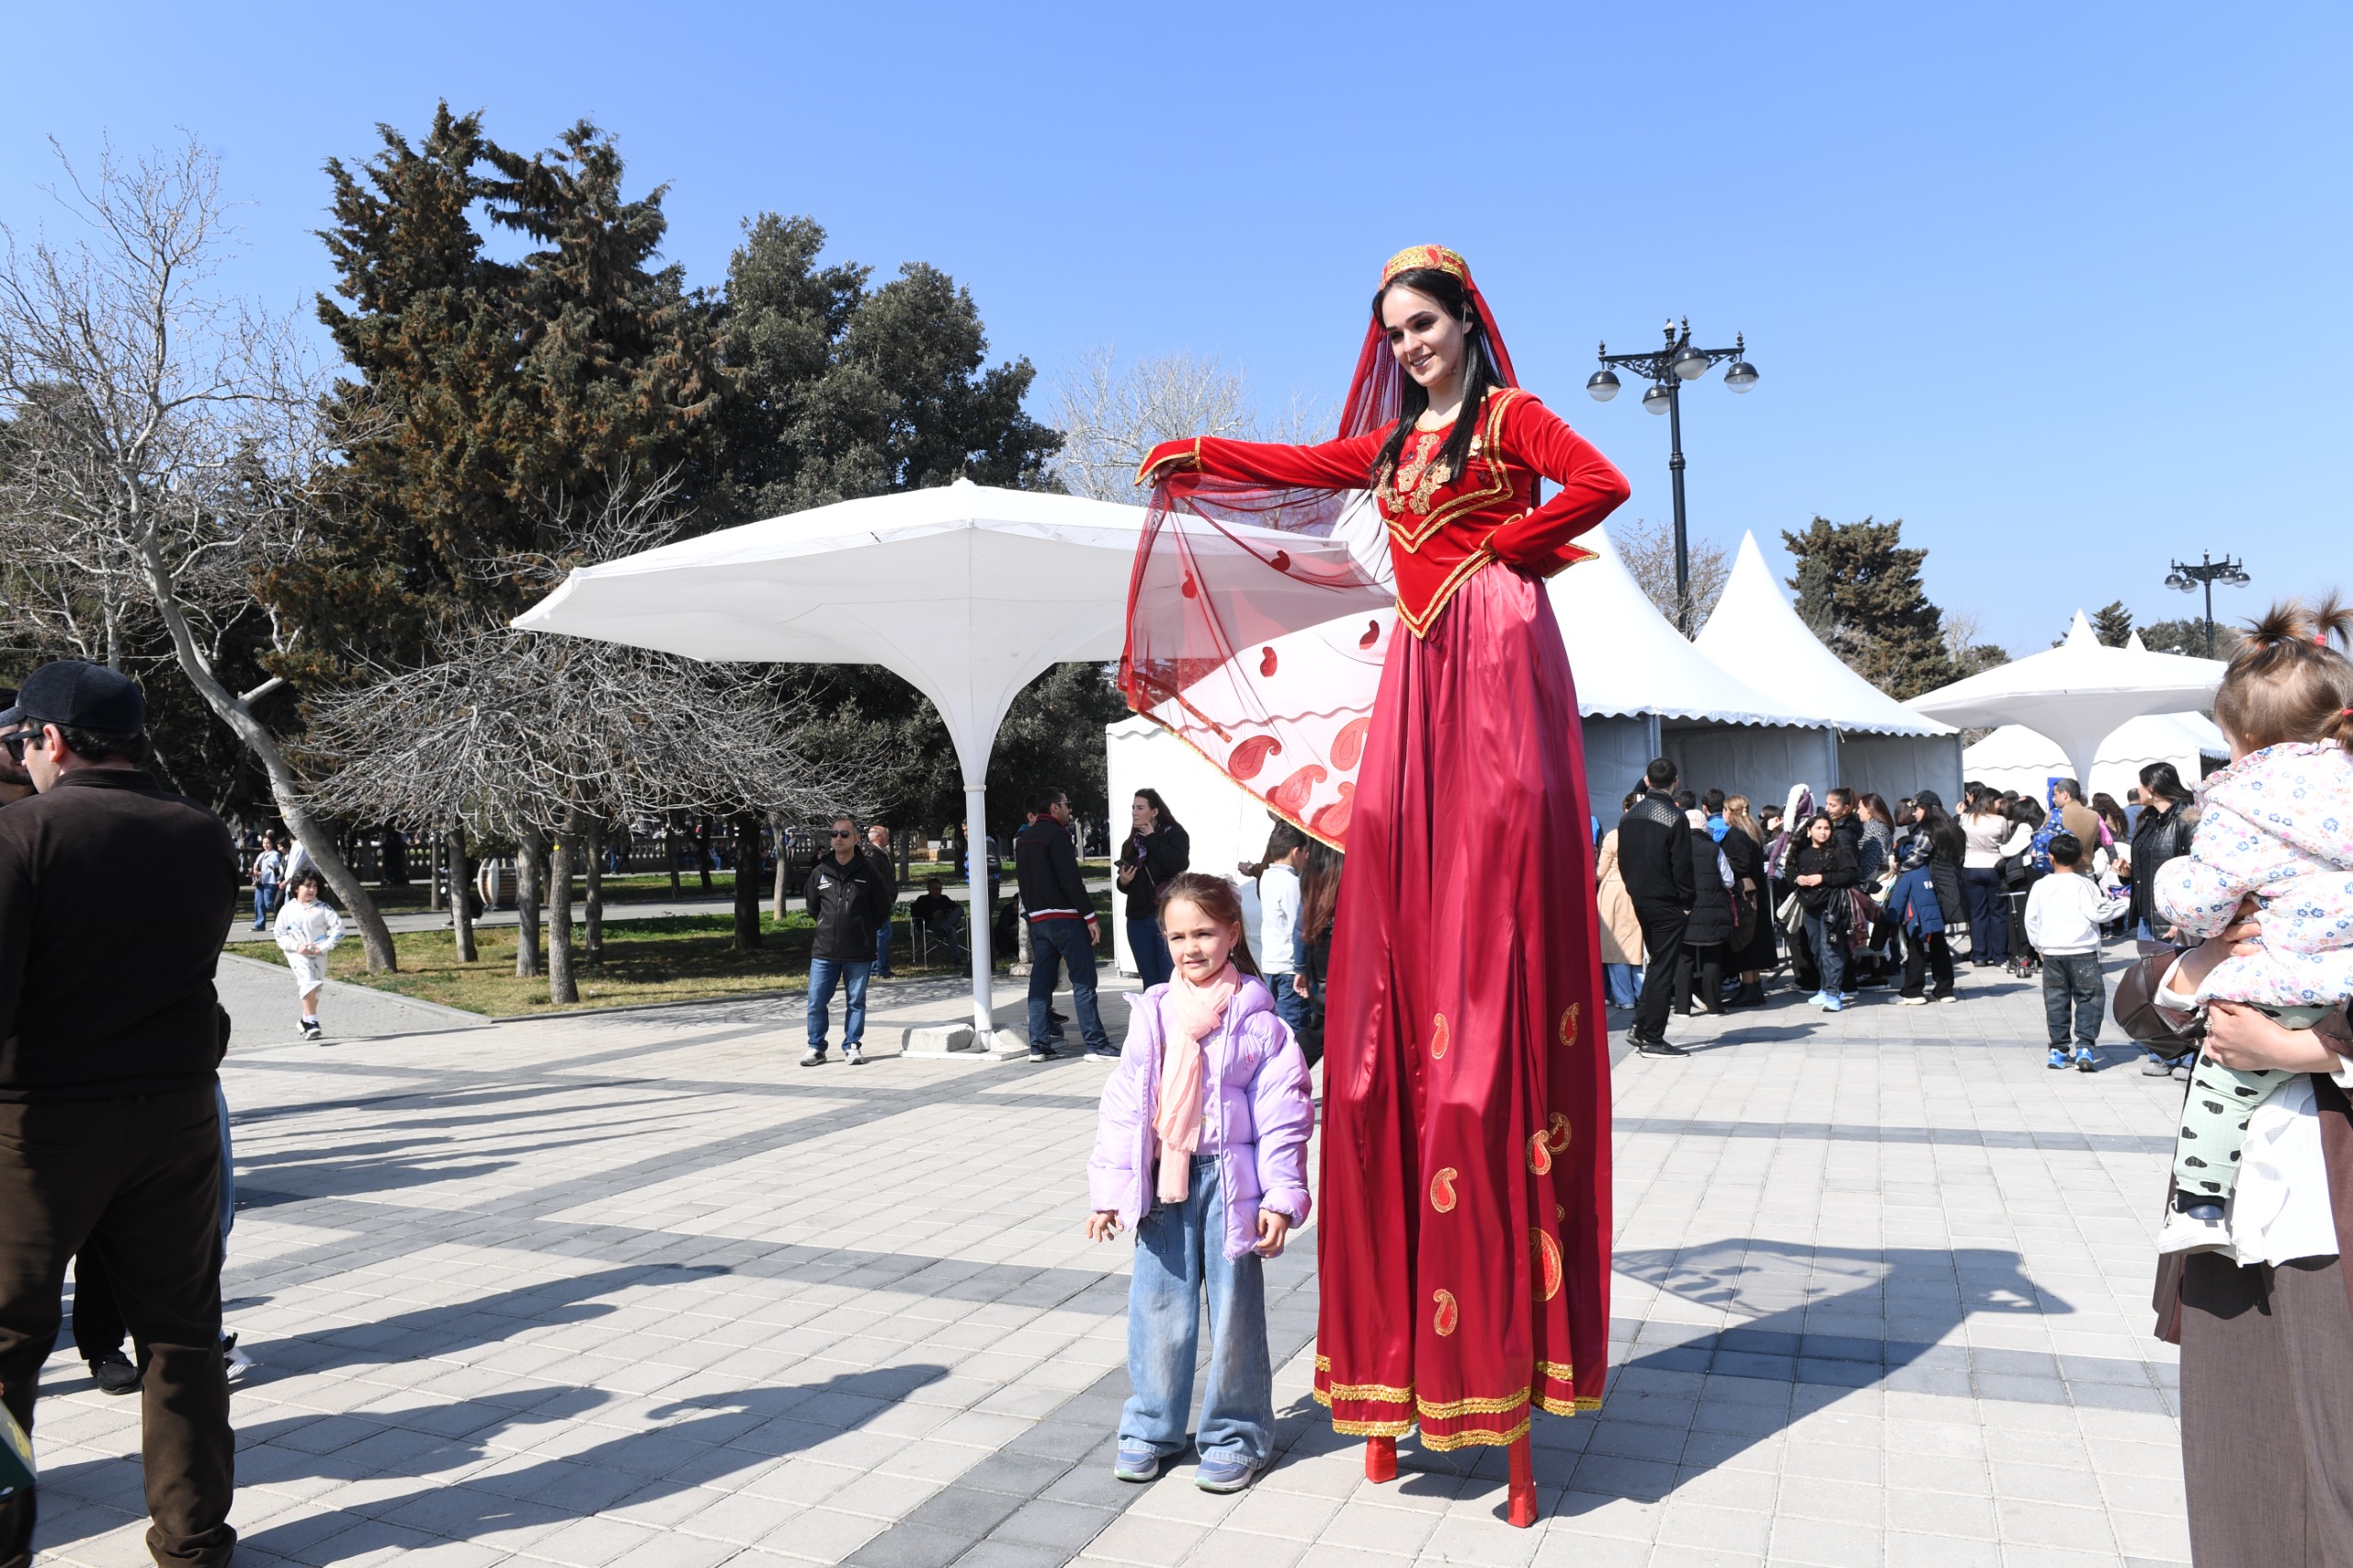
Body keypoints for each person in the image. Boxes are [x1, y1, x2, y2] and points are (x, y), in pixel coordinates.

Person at [1131, 245, 1626, 1500]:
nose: (1410, 346)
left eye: (1425, 324)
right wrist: (1201, 455)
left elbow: (1604, 480)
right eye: (1395, 331)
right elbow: (1303, 464)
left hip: (1497, 644)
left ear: (1466, 320)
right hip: (1418, 668)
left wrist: (1508, 548)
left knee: (1495, 851)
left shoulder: (1510, 418)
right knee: (1393, 853)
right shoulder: (1398, 443)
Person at [0, 662, 238, 1568]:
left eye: (25, 740)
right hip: (174, 1114)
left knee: (7, 1348)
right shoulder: (202, 831)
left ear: (53, 740)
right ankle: (193, 1540)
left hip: (37, 1126)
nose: (23, 757)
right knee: (182, 1337)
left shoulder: (23, 833)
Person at [1086, 871, 1313, 1494]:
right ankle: (1151, 1428)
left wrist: (1281, 1196)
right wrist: (1109, 1190)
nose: (1191, 947)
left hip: (1231, 1184)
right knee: (1158, 1309)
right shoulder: (1154, 1013)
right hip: (1164, 1182)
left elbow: (1283, 1114)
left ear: (1233, 933)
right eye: (1178, 935)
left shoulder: (1258, 1020)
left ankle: (1236, 1433)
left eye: (1205, 933)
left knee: (1237, 1315)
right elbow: (1127, 1103)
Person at [2148, 598, 2353, 1253]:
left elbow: (2201, 899)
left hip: (2279, 995)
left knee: (2221, 1076)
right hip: (2335, 990)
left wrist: (2293, 1051)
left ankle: (2197, 1201)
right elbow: (2147, 1005)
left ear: (2247, 741)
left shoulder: (2241, 799)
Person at [1016, 789, 1112, 1062]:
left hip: (1038, 921)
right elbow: (1070, 880)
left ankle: (1039, 1045)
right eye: (1066, 804)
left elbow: (1023, 883)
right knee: (1083, 981)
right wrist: (1090, 917)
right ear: (1054, 807)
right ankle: (1096, 1044)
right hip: (1066, 918)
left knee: (1040, 983)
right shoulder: (1058, 834)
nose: (1070, 809)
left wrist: (1033, 914)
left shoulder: (1024, 839)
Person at [2023, 834, 2129, 1071]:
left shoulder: (2040, 886)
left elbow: (2031, 919)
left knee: (2056, 1001)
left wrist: (2038, 946)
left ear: (2050, 857)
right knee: (2089, 999)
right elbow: (2099, 913)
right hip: (2083, 952)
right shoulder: (2085, 884)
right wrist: (2126, 903)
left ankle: (2058, 1051)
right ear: (2081, 857)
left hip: (2051, 953)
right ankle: (2085, 1048)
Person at [1618, 759, 1698, 1056]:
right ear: (1675, 782)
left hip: (1641, 898)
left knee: (1656, 964)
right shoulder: (1676, 817)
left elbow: (1624, 861)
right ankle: (1652, 1036)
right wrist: (1688, 902)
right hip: (1667, 901)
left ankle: (1641, 1026)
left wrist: (1634, 890)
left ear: (1648, 780)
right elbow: (1682, 866)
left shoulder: (1629, 816)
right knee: (1664, 969)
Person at [2127, 762, 2200, 1075]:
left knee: (2180, 985)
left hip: (2175, 917)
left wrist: (2180, 916)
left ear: (2152, 787)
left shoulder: (2187, 818)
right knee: (2153, 985)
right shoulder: (2149, 820)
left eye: (2141, 785)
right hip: (2147, 914)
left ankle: (2185, 1054)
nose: (2139, 791)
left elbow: (2195, 868)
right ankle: (2162, 1052)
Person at [802, 816, 890, 1067]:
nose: (838, 839)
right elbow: (812, 907)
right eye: (833, 834)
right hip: (824, 950)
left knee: (856, 1001)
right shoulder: (820, 872)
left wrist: (863, 928)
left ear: (856, 839)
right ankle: (816, 1047)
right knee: (816, 1000)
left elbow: (882, 909)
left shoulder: (869, 873)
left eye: (843, 834)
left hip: (859, 950)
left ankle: (852, 1045)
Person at [1117, 790, 1190, 989]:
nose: (1134, 812)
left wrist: (1152, 839)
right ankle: (1152, 1019)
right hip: (1137, 918)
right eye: (1133, 808)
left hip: (1165, 917)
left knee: (1170, 976)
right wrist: (1123, 881)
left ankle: (1172, 1019)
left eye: (1140, 808)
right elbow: (1127, 885)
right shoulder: (1131, 843)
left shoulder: (1175, 834)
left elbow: (1177, 864)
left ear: (1155, 811)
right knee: (1149, 979)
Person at [1790, 812, 1860, 1011]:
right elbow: (1789, 873)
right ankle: (1825, 987)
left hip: (1833, 907)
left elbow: (1851, 873)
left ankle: (1833, 993)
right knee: (1817, 950)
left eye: (1827, 828)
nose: (1823, 832)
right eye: (1819, 828)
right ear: (1808, 830)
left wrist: (1823, 879)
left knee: (1832, 950)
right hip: (1810, 907)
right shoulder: (1802, 852)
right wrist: (1797, 879)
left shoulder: (1838, 851)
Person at [1249, 824, 1310, 1033]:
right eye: (1305, 852)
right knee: (1294, 1027)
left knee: (1276, 1024)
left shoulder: (1267, 876)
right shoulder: (1291, 882)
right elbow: (1299, 925)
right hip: (1289, 966)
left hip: (1270, 962)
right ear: (1296, 852)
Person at [1677, 804, 1733, 1017]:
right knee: (1712, 959)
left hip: (1684, 911)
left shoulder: (1675, 848)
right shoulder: (1713, 848)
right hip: (1713, 910)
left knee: (1685, 959)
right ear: (1704, 826)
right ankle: (1714, 1007)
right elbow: (1728, 880)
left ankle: (1682, 1008)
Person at [273, 869, 341, 1040]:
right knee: (308, 982)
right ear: (296, 887)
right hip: (297, 955)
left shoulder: (323, 908)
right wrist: (297, 946)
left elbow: (339, 929)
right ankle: (312, 1022)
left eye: (315, 886)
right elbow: (280, 935)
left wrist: (324, 947)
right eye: (307, 886)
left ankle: (304, 1020)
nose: (312, 890)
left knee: (315, 987)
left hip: (318, 954)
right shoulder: (287, 910)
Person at [1884, 842, 1955, 1005]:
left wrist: (1888, 922)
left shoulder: (1908, 872)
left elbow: (1898, 899)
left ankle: (1912, 992)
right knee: (1940, 947)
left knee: (1915, 950)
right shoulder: (1931, 867)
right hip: (1936, 916)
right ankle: (1945, 991)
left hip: (1916, 920)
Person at [1721, 795, 1774, 1007]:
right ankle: (1754, 986)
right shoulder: (1753, 831)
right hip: (1756, 894)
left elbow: (1740, 864)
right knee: (1754, 940)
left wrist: (1725, 866)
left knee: (1744, 940)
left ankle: (1749, 988)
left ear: (1730, 812)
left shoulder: (1736, 834)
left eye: (1725, 810)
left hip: (1744, 896)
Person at [1594, 795, 1644, 1010]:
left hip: (1614, 891)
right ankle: (1644, 994)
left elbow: (1600, 872)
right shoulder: (1650, 834)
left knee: (1614, 945)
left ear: (1624, 809)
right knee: (1638, 946)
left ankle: (1624, 998)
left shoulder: (1614, 836)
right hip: (1643, 889)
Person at [1961, 790, 2018, 968]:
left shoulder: (1966, 818)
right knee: (1998, 913)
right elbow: (2004, 840)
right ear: (1992, 802)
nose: (2001, 806)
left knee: (1977, 914)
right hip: (1994, 867)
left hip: (1971, 866)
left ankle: (1980, 954)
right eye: (1999, 803)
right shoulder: (2000, 821)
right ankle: (2000, 954)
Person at [863, 824, 898, 979]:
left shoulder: (878, 853)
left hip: (883, 900)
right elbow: (875, 879)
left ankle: (879, 967)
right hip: (879, 902)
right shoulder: (872, 853)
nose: (888, 837)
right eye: (885, 834)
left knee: (883, 934)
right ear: (877, 837)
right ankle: (879, 969)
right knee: (882, 935)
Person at [910, 877, 961, 959]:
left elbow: (957, 908)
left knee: (959, 910)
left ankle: (944, 929)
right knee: (950, 929)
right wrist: (931, 915)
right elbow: (915, 913)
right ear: (929, 889)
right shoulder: (922, 900)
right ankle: (957, 958)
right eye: (936, 889)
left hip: (946, 921)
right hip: (931, 923)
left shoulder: (944, 898)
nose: (938, 892)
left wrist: (950, 912)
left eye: (940, 889)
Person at [247, 831, 283, 932]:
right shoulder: (261, 854)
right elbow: (256, 865)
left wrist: (261, 872)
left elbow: (275, 869)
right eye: (264, 843)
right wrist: (255, 871)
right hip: (260, 882)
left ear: (272, 844)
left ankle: (281, 920)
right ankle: (259, 924)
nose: (265, 845)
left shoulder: (275, 855)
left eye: (268, 843)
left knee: (269, 903)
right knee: (259, 903)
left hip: (270, 882)